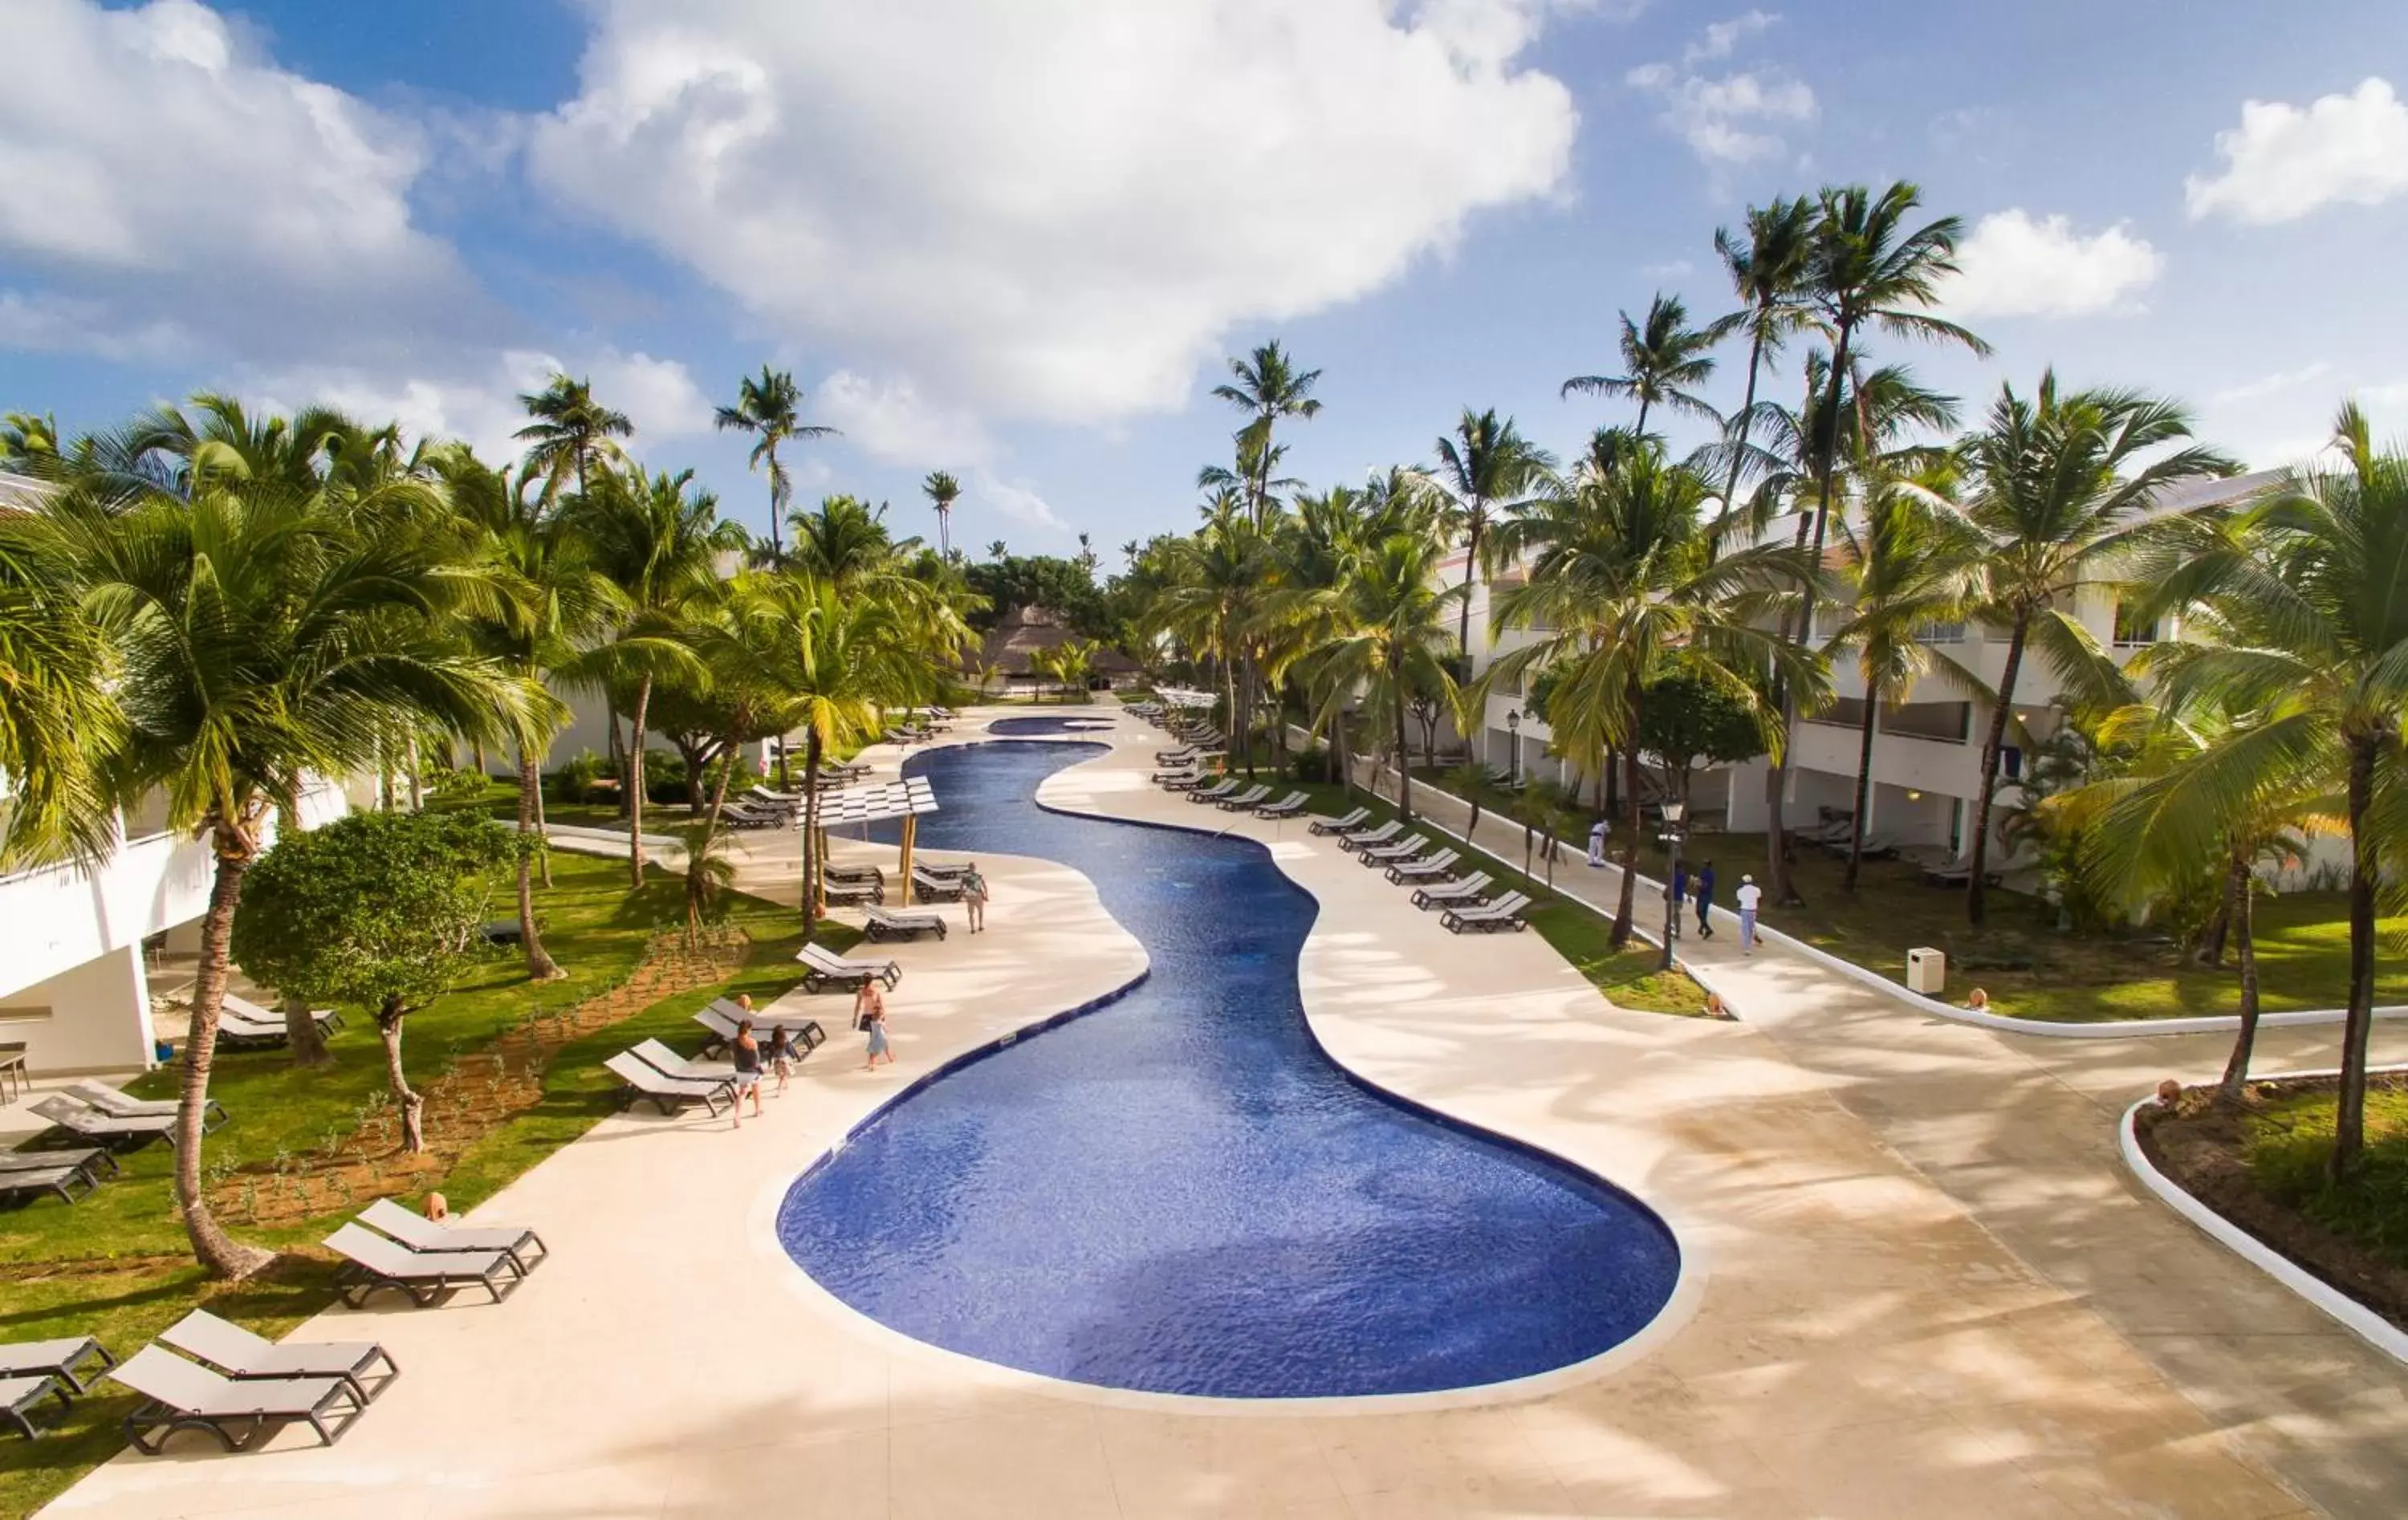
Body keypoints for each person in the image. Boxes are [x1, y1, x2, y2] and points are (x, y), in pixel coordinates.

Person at [729, 1019, 765, 1125]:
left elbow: (733, 1055)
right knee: (756, 1090)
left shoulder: (733, 1042)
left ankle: (737, 1116)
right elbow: (756, 1059)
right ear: (748, 1030)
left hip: (740, 1071)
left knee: (742, 1093)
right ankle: (758, 1110)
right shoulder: (752, 1042)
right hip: (752, 1072)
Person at [858, 981, 893, 1070]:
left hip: (868, 1018)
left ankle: (876, 1062)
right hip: (880, 1036)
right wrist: (883, 1018)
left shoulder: (862, 992)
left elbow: (859, 1005)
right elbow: (883, 1025)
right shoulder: (879, 1020)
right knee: (880, 1046)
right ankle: (876, 1062)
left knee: (876, 1046)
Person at [767, 1023, 799, 1093]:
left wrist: (769, 1062)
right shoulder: (786, 1042)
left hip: (776, 1060)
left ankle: (786, 1085)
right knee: (783, 1076)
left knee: (783, 1074)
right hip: (785, 1060)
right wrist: (794, 1057)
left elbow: (770, 1054)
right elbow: (790, 1050)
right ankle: (779, 1090)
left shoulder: (772, 1043)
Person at [1735, 873, 1763, 954]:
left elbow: (1739, 900)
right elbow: (1759, 898)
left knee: (1746, 929)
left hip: (1744, 910)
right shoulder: (1757, 890)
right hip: (1753, 911)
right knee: (1751, 927)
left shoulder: (1740, 891)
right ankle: (1754, 938)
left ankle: (1747, 948)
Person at [962, 861, 990, 933]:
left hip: (970, 896)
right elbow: (984, 886)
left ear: (968, 868)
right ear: (975, 868)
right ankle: (980, 926)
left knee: (971, 914)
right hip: (978, 896)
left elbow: (961, 886)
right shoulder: (979, 876)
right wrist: (986, 896)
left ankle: (972, 929)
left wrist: (963, 894)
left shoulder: (965, 877)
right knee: (980, 911)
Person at [1694, 861, 1716, 939]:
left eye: (1705, 864)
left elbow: (1706, 885)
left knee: (1700, 911)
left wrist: (1698, 884)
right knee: (1700, 912)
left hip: (1706, 895)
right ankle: (1703, 927)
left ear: (1708, 866)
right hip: (1701, 894)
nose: (1704, 865)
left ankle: (1708, 929)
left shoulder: (1710, 875)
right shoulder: (1703, 872)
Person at [1666, 860, 1689, 939]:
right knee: (1677, 915)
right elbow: (1685, 885)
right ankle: (1677, 932)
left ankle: (1671, 932)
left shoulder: (1673, 874)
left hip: (1673, 897)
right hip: (1679, 898)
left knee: (1672, 915)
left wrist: (1666, 892)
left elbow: (1670, 884)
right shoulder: (1683, 875)